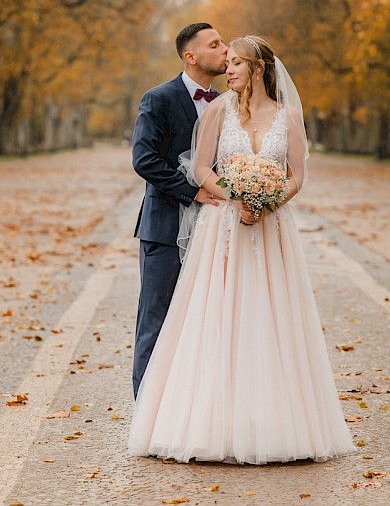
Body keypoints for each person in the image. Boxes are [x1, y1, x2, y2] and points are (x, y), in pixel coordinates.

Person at [128, 35, 355, 464]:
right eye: (225, 61)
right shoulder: (218, 109)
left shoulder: (288, 117)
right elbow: (200, 167)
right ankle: (207, 422)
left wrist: (267, 201)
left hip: (272, 231)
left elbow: (296, 176)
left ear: (258, 68)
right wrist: (236, 197)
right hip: (224, 226)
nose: (228, 69)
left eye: (235, 63)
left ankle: (274, 424)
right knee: (217, 315)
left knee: (271, 318)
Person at [131, 23, 228, 398]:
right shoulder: (158, 98)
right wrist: (193, 191)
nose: (224, 50)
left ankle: (191, 409)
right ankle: (147, 413)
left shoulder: (228, 102)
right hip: (165, 228)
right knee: (155, 321)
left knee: (205, 321)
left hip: (217, 228)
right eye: (215, 45)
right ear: (191, 57)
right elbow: (145, 160)